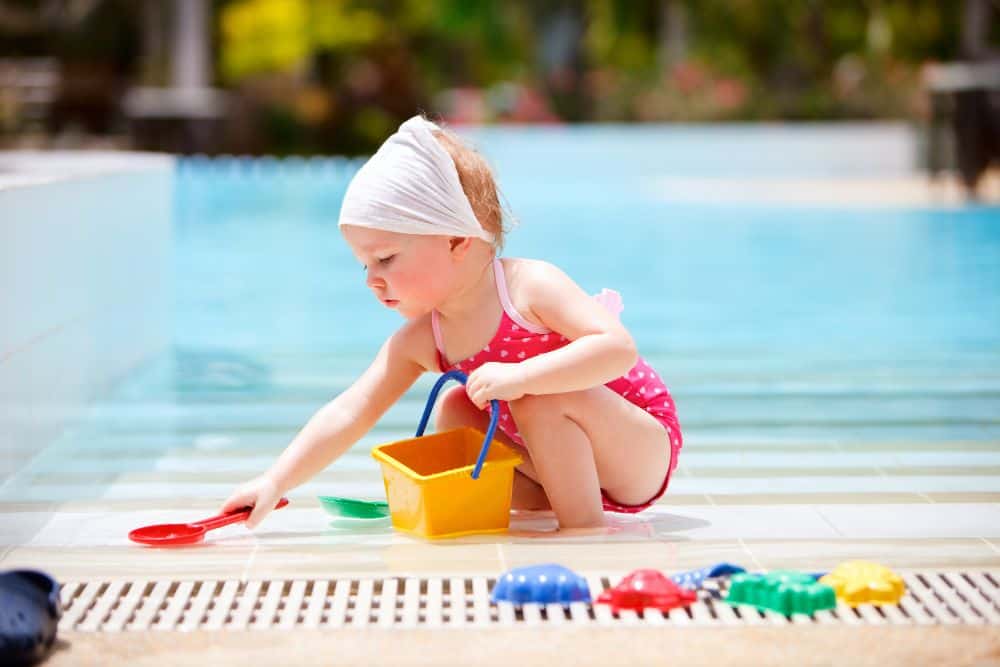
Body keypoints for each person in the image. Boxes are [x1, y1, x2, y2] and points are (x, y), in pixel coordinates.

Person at [222, 115, 682, 531]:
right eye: (365, 265)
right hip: (552, 472)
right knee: (456, 408)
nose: (372, 280)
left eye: (384, 258)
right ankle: (548, 507)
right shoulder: (425, 338)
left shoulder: (528, 287)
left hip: (635, 449)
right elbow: (351, 410)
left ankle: (583, 534)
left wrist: (521, 376)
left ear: (458, 240)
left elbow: (617, 348)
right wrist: (275, 480)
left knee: (537, 394)